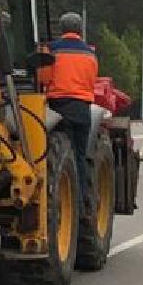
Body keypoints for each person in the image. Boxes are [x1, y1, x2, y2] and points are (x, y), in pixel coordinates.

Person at [39, 12, 101, 208]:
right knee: (80, 155)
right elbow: (91, 81)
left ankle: (63, 202)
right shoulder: (90, 54)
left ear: (61, 29)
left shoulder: (52, 50)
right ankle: (81, 203)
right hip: (83, 108)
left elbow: (43, 79)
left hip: (59, 108)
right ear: (79, 30)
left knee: (61, 156)